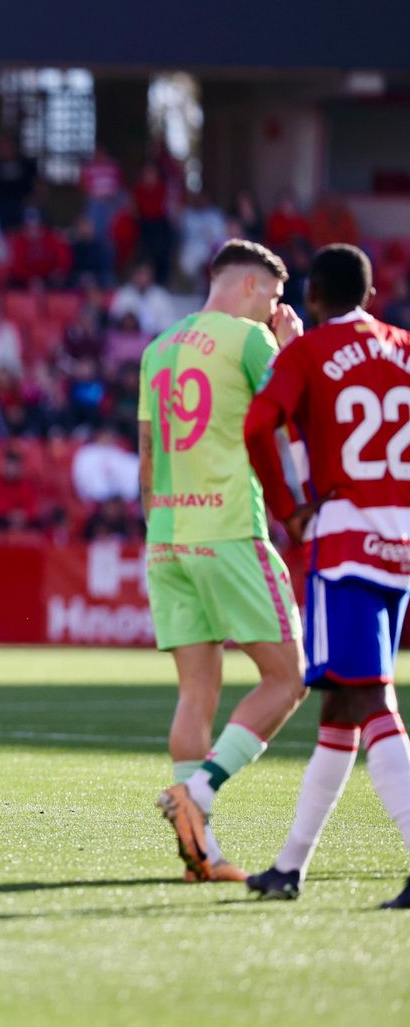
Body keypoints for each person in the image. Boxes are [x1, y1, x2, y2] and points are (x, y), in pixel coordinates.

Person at [242, 244, 410, 909]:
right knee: (339, 705)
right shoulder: (403, 346)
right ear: (370, 296)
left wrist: (289, 510)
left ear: (311, 297)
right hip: (400, 543)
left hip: (343, 543)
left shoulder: (307, 355)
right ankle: (289, 866)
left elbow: (260, 425)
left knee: (371, 699)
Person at [141, 240, 306, 882]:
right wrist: (291, 344)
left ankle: (198, 853)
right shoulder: (248, 340)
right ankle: (199, 792)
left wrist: (159, 528)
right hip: (230, 529)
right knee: (287, 677)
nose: (274, 308)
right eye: (271, 295)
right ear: (245, 286)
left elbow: (149, 455)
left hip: (168, 535)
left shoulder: (159, 349)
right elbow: (299, 406)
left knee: (197, 691)